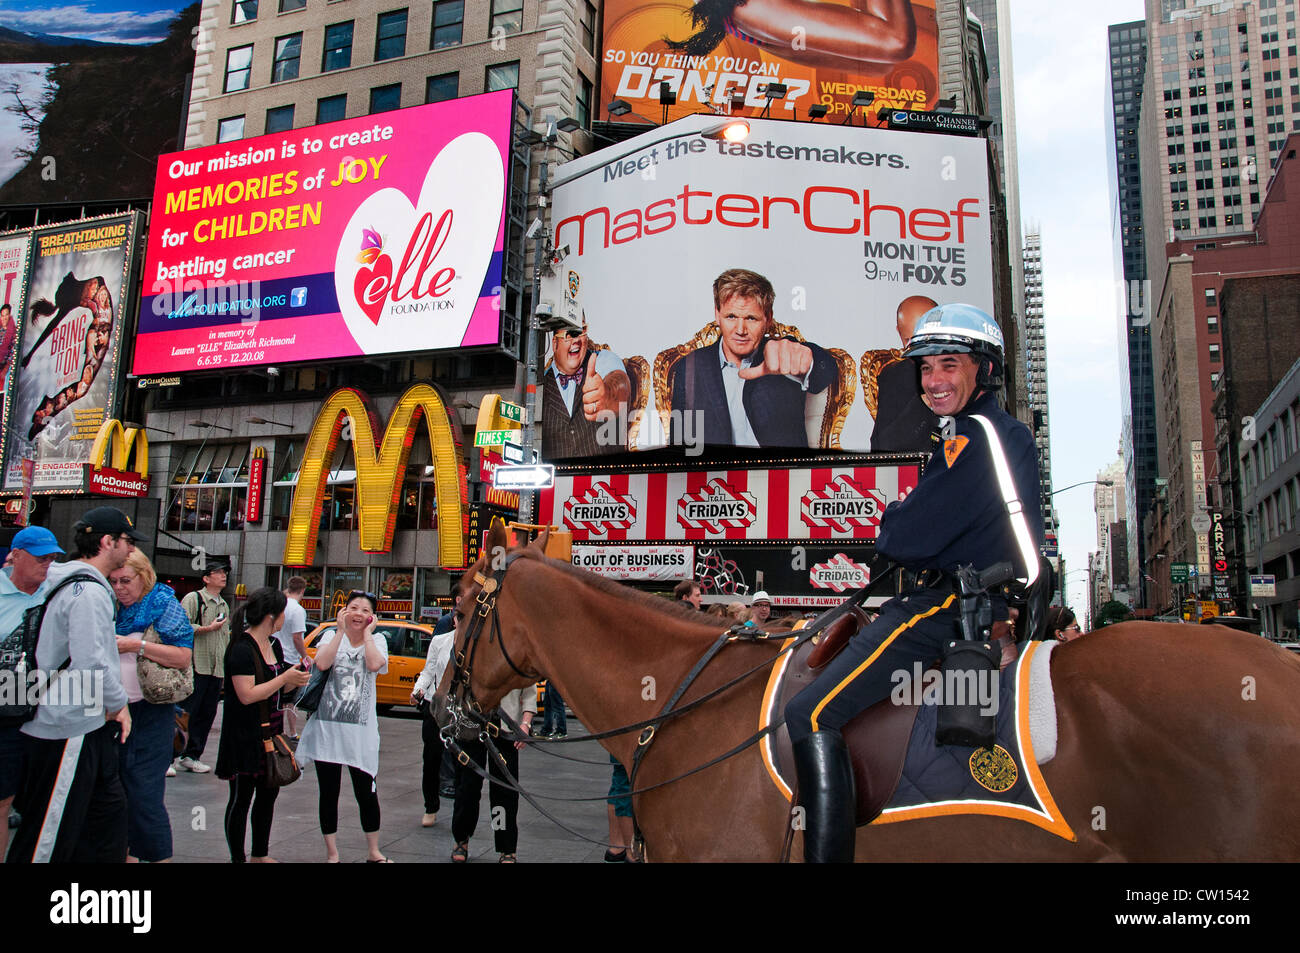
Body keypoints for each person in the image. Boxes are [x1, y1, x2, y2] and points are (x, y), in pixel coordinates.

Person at [784, 303, 1042, 863]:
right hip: (966, 597)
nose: (934, 381)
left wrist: (898, 516)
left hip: (946, 605)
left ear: (985, 371)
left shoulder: (975, 437)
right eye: (926, 369)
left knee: (808, 712)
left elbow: (906, 538)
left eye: (950, 365)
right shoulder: (988, 433)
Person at [8, 507, 143, 863]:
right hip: (67, 726)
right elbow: (91, 663)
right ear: (106, 541)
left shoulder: (70, 582)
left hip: (81, 724)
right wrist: (118, 703)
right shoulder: (87, 591)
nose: (131, 550)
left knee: (105, 820)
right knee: (47, 832)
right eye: (127, 541)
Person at [670, 269, 837, 449]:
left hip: (779, 474)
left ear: (768, 318)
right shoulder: (690, 366)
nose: (740, 330)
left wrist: (809, 360)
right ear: (717, 315)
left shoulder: (781, 354)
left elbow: (826, 371)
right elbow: (680, 444)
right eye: (731, 316)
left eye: (751, 318)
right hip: (716, 474)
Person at [110, 550, 194, 863]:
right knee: (118, 796)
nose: (119, 587)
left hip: (151, 713)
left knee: (145, 796)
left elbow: (183, 657)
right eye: (114, 580)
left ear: (144, 577)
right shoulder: (109, 606)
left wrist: (136, 645)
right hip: (112, 713)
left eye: (126, 581)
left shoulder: (163, 605)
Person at [216, 587, 310, 863]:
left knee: (268, 794)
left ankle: (260, 854)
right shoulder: (241, 648)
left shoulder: (275, 645)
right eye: (282, 614)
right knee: (241, 799)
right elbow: (247, 694)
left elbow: (277, 688)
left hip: (271, 730)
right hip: (244, 734)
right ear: (272, 616)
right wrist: (283, 680)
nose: (284, 619)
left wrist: (295, 680)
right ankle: (238, 858)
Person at [296, 590, 391, 863]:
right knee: (329, 794)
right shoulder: (330, 637)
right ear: (344, 611)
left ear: (372, 616)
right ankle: (332, 852)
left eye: (365, 609)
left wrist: (369, 635)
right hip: (328, 730)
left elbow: (374, 664)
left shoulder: (379, 641)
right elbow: (322, 663)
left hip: (360, 734)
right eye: (353, 608)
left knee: (367, 793)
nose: (358, 614)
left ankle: (373, 851)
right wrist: (338, 632)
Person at [0, 527, 62, 860]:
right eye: (41, 558)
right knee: (2, 800)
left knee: (40, 800)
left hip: (46, 714)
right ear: (16, 556)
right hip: (5, 715)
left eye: (52, 558)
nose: (47, 565)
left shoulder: (54, 593)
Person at [665, 0, 916, 71]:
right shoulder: (751, 10)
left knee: (878, 64)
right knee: (893, 42)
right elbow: (894, 40)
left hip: (747, 16)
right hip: (747, 9)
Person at [451, 684, 536, 863]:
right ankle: (461, 838)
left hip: (505, 725)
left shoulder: (517, 654)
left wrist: (525, 723)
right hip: (472, 723)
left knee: (504, 790)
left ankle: (506, 846)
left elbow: (528, 687)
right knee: (468, 786)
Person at [542, 320, 631, 456]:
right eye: (569, 334)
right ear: (555, 344)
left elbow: (620, 385)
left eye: (581, 332)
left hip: (604, 474)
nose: (576, 340)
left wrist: (606, 396)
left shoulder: (603, 359)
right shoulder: (541, 381)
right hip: (557, 474)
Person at [177, 562, 231, 773]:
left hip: (216, 667)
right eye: (218, 572)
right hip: (197, 664)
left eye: (224, 572)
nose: (223, 576)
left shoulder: (224, 604)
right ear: (206, 578)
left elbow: (224, 637)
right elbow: (180, 626)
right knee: (186, 711)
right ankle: (171, 753)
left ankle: (193, 755)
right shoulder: (194, 599)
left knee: (207, 713)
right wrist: (206, 628)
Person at [870, 294, 941, 453]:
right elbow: (881, 446)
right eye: (909, 340)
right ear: (899, 332)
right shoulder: (894, 376)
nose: (918, 348)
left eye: (926, 339)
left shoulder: (966, 367)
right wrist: (923, 404)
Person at [412, 598, 456, 828]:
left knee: (462, 760)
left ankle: (462, 810)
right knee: (431, 758)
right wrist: (417, 690)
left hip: (461, 709)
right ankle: (431, 806)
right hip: (435, 705)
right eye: (460, 617)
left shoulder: (477, 646)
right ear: (455, 620)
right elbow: (428, 671)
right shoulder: (440, 641)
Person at [271, 576, 309, 739]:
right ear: (302, 590)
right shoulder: (298, 610)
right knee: (290, 700)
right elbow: (297, 638)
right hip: (290, 659)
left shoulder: (279, 605)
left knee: (275, 697)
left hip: (274, 656)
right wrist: (305, 657)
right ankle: (291, 731)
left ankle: (277, 729)